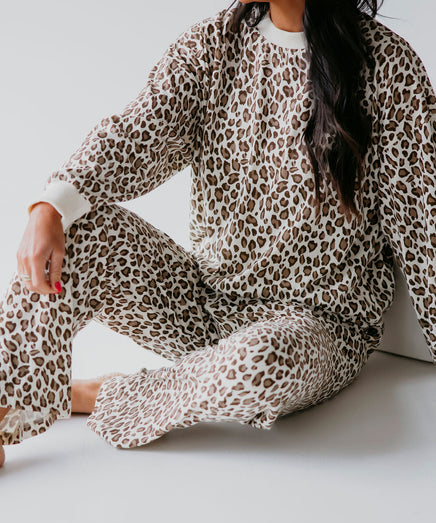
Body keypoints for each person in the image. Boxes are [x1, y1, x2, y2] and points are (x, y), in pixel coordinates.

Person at [0, 0, 435, 467]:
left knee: (264, 360)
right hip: (202, 304)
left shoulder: (388, 67)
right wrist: (50, 206)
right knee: (77, 230)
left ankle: (100, 394)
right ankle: (6, 404)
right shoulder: (213, 45)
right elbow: (138, 133)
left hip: (314, 331)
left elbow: (422, 225)